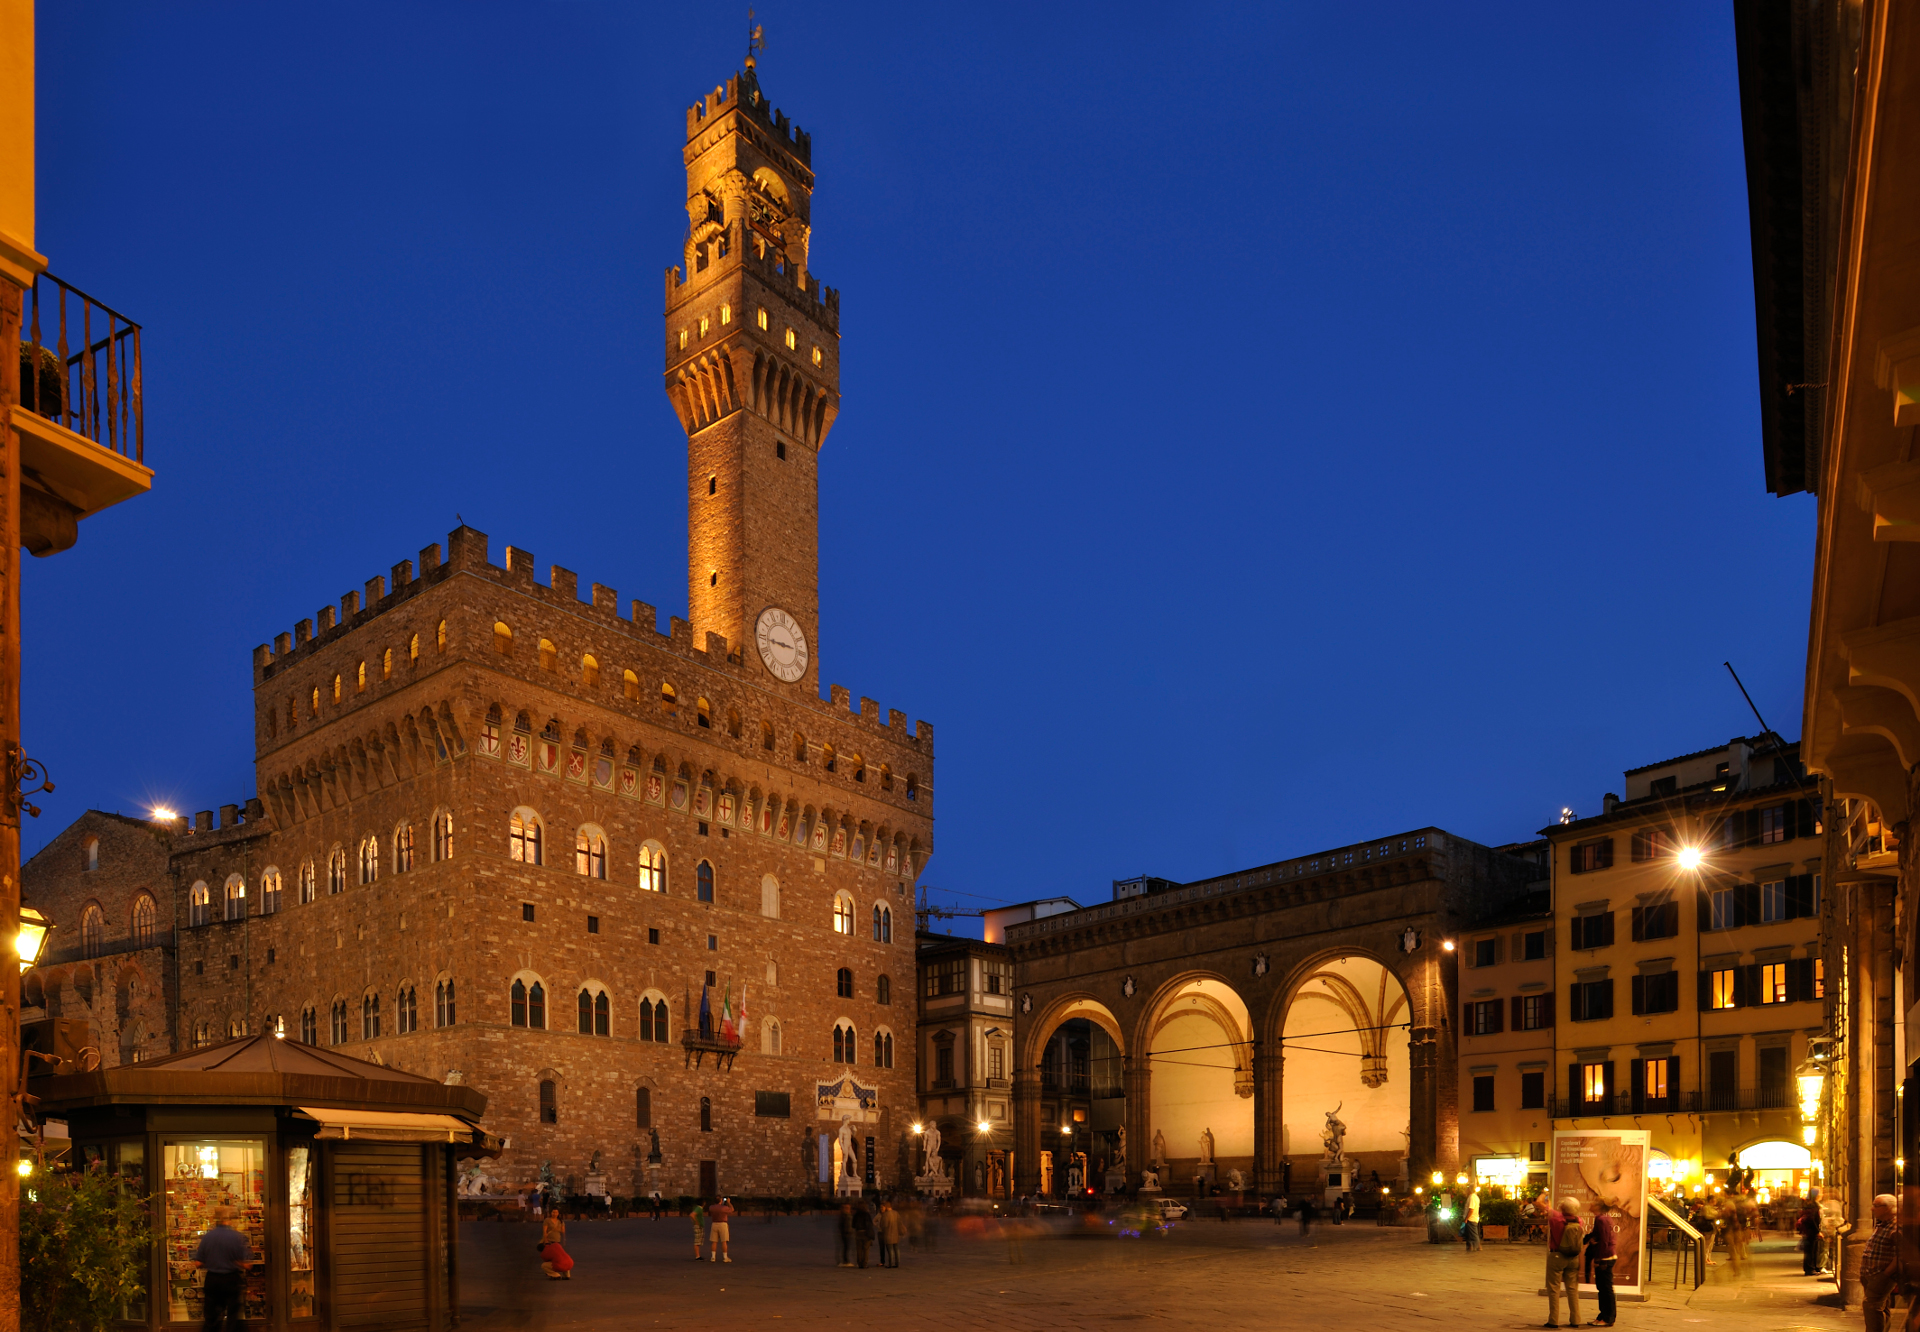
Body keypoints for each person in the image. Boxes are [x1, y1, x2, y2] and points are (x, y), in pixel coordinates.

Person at [192, 1204, 253, 1332]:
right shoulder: (237, 1237)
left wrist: (212, 1260)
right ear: (229, 1220)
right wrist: (234, 1262)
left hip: (212, 1280)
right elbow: (248, 1265)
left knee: (211, 1318)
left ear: (216, 1220)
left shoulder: (207, 1237)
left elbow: (198, 1263)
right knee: (232, 1317)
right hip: (231, 1280)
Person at [1862, 1194, 1902, 1332]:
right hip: (1872, 1274)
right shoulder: (1882, 1224)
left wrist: (1885, 1274)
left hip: (1881, 1275)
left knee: (1871, 1306)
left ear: (1887, 1208)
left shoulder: (1895, 1227)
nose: (1872, 1209)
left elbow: (1901, 1255)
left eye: (1876, 1205)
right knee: (1881, 1306)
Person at [1544, 1196, 1583, 1329]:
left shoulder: (1555, 1221)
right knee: (1572, 1289)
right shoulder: (1580, 1221)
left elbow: (1548, 1210)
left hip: (1557, 1256)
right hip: (1573, 1257)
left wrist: (1547, 1200)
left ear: (1562, 1208)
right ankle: (1575, 1319)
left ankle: (1553, 1320)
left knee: (1554, 1288)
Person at [1584, 1199, 1616, 1327]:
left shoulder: (1601, 1219)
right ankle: (1603, 1315)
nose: (1590, 1203)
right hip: (1607, 1256)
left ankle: (1608, 1317)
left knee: (1605, 1289)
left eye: (1593, 1202)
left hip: (1605, 1258)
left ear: (1598, 1205)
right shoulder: (1603, 1218)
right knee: (1602, 1288)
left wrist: (1598, 1259)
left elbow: (1604, 1241)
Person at [539, 1208, 573, 1280]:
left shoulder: (560, 1221)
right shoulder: (547, 1220)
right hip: (549, 1241)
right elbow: (545, 1231)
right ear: (551, 1213)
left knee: (558, 1256)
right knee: (549, 1256)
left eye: (556, 1212)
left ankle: (556, 1272)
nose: (555, 1214)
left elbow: (563, 1231)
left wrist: (560, 1231)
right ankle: (551, 1271)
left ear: (558, 1213)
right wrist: (545, 1240)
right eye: (553, 1212)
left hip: (557, 1240)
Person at [708, 1196, 734, 1263]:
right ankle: (725, 1257)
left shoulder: (711, 1207)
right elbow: (732, 1209)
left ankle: (713, 1257)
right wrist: (728, 1202)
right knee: (724, 1241)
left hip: (714, 1224)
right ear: (721, 1200)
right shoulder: (724, 1208)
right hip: (722, 1224)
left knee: (714, 1241)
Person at [878, 1199, 903, 1267]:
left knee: (890, 1249)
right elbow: (900, 1223)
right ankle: (897, 1263)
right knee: (896, 1249)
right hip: (896, 1233)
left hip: (888, 1234)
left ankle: (891, 1263)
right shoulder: (896, 1213)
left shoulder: (885, 1215)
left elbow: (883, 1225)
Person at [852, 1200, 874, 1268]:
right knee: (866, 1249)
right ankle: (864, 1263)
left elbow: (853, 1225)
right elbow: (870, 1224)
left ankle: (859, 1263)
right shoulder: (867, 1214)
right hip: (866, 1233)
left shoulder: (856, 1214)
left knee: (859, 1249)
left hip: (858, 1232)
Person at [836, 1203, 855, 1267]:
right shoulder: (846, 1216)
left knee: (845, 1248)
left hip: (845, 1233)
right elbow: (846, 1226)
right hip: (846, 1234)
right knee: (846, 1248)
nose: (849, 1209)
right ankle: (845, 1261)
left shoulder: (844, 1216)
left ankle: (845, 1260)